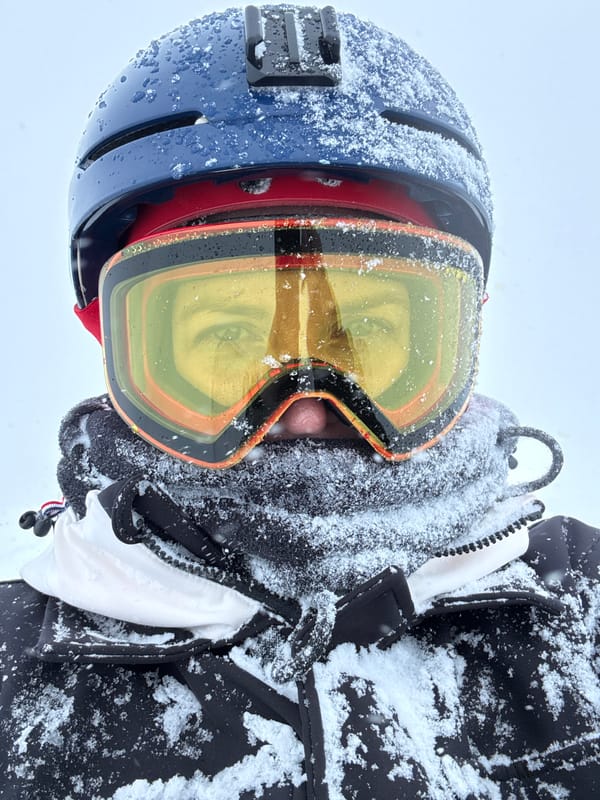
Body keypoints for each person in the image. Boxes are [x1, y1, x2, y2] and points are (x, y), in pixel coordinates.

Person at [1, 4, 598, 798]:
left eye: (370, 332)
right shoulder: (16, 673)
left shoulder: (580, 613)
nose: (305, 407)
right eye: (224, 340)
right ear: (115, 341)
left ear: (461, 330)